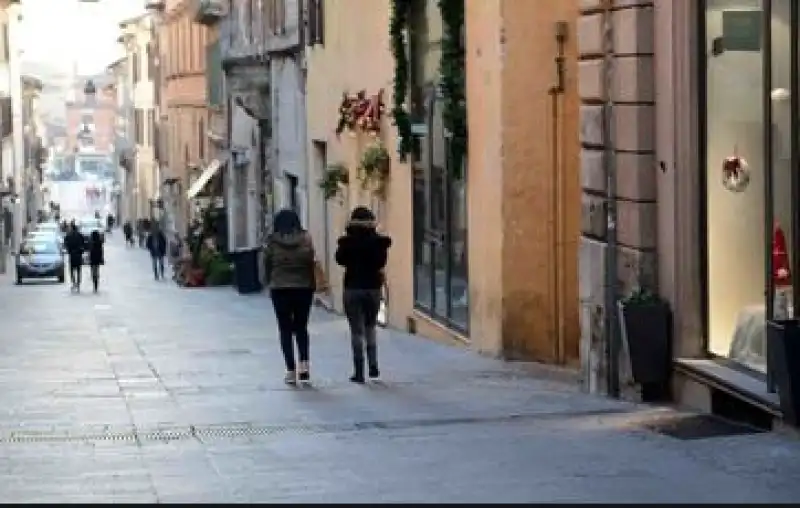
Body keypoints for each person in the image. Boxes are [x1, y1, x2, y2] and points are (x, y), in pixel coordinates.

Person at [335, 207, 392, 383]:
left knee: (356, 331)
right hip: (373, 288)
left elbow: (339, 259)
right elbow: (381, 262)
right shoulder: (378, 243)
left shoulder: (347, 242)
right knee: (370, 327)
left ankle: (359, 371)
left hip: (352, 288)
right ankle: (373, 366)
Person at [264, 208, 316, 385]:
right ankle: (304, 367)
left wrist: (269, 281)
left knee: (285, 329)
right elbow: (311, 261)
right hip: (303, 288)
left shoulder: (271, 242)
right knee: (301, 327)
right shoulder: (306, 239)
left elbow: (267, 264)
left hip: (280, 288)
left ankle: (290, 370)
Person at [63, 221, 86, 292]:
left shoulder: (68, 236)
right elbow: (83, 244)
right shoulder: (80, 235)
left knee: (72, 270)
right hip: (78, 255)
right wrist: (82, 250)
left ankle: (74, 283)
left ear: (72, 229)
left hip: (72, 255)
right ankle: (78, 284)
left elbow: (65, 243)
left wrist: (68, 250)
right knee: (79, 270)